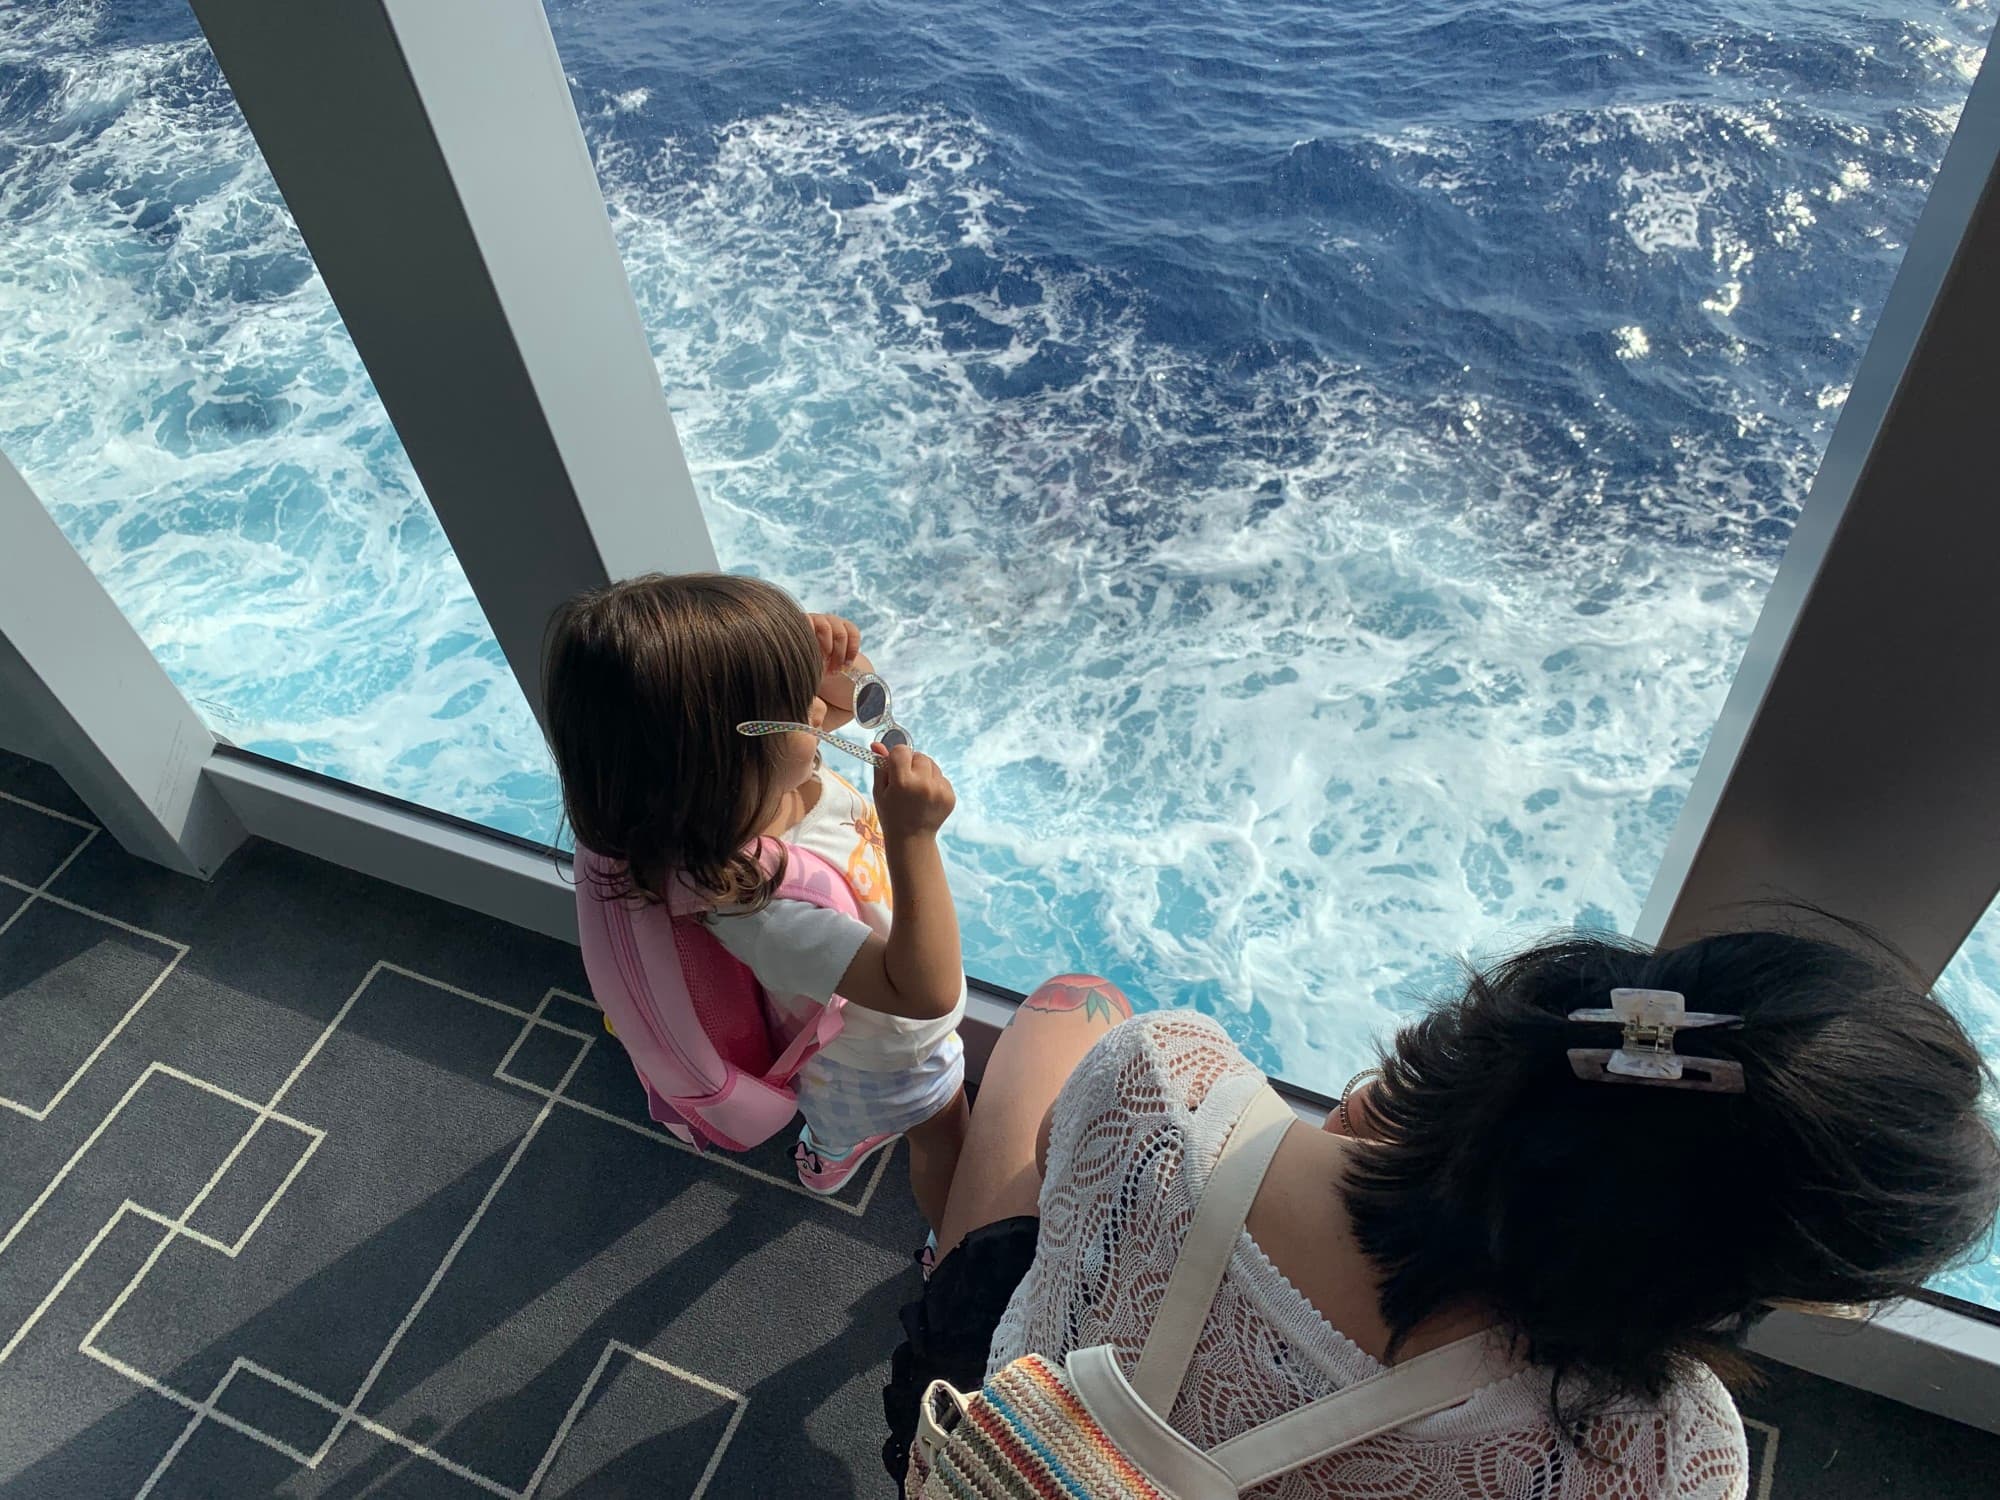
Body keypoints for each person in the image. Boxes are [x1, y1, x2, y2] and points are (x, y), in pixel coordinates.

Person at [886, 927, 2000, 1497]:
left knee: (1073, 1007)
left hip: (992, 1455)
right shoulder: (1671, 1456)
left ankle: (944, 1256)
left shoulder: (1161, 1080)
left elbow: (1070, 1156)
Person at [544, 573, 969, 1234]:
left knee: (830, 1106)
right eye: (800, 701)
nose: (822, 712)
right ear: (731, 754)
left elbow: (831, 714)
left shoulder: (726, 796)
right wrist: (914, 836)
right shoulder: (755, 901)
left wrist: (837, 669)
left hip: (833, 1027)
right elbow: (924, 992)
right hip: (886, 1054)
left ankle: (830, 1143)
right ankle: (944, 1245)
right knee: (945, 1140)